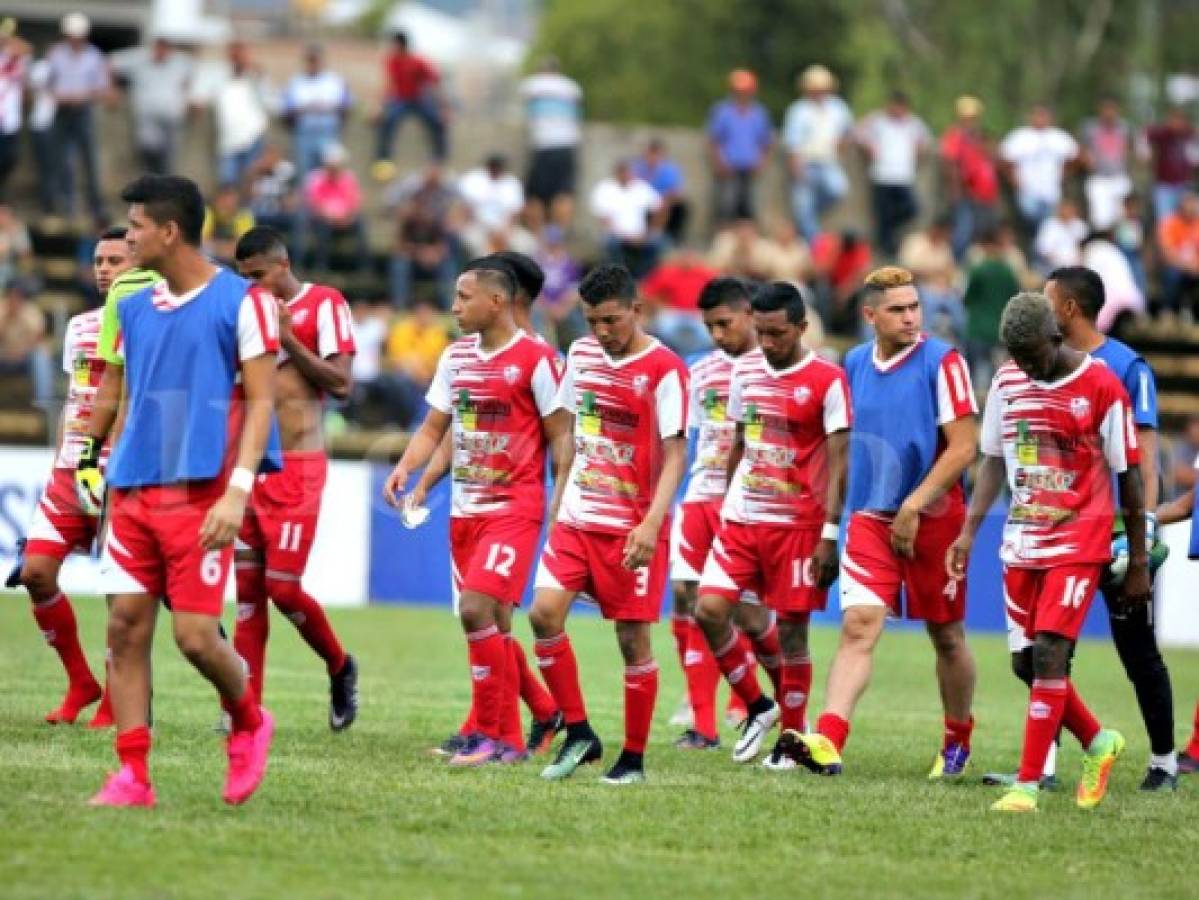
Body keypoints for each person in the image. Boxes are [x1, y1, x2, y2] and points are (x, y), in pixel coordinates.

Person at [81, 175, 280, 808]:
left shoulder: (243, 302)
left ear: (168, 232)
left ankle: (249, 720)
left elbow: (262, 404)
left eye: (135, 226)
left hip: (202, 497)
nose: (127, 236)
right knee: (124, 629)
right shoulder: (133, 307)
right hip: (134, 489)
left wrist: (238, 493)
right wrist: (95, 463)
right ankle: (132, 775)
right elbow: (125, 394)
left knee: (195, 638)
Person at [948, 291, 1146, 813]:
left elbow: (1130, 475)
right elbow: (992, 460)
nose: (1025, 367)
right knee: (1023, 663)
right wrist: (968, 532)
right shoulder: (1009, 383)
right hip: (1022, 539)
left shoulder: (1102, 386)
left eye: (1033, 355)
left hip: (1081, 539)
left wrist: (1139, 561)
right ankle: (1099, 740)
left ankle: (1028, 785)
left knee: (1050, 654)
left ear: (1057, 339)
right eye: (1016, 356)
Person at [783, 266, 978, 780]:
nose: (912, 317)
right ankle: (828, 739)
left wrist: (914, 505)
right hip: (869, 517)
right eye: (898, 309)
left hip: (934, 516)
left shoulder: (944, 361)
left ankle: (958, 740)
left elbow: (964, 448)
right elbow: (842, 452)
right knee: (858, 625)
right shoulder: (852, 363)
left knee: (947, 636)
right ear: (870, 315)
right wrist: (830, 528)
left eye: (915, 306)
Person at [384, 258, 572, 766]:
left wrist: (559, 502)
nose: (454, 306)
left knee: (476, 608)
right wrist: (410, 472)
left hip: (514, 508)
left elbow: (561, 435)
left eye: (463, 297)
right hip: (465, 510)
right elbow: (435, 429)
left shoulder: (537, 360)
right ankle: (501, 732)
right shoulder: (456, 357)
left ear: (496, 301)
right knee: (491, 623)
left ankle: (497, 737)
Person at [530, 263, 689, 784]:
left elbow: (676, 454)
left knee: (632, 642)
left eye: (612, 321)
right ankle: (579, 731)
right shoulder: (580, 355)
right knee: (543, 616)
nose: (602, 332)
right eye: (592, 321)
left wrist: (650, 525)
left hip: (631, 527)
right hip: (579, 515)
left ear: (637, 312)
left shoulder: (666, 370)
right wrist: (557, 505)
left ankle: (634, 760)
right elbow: (572, 435)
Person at [695, 281, 849, 770]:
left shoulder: (827, 379)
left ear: (802, 328)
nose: (767, 343)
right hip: (743, 517)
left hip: (799, 526)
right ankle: (760, 705)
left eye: (777, 334)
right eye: (760, 332)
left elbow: (839, 459)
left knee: (793, 635)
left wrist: (829, 532)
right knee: (709, 609)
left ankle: (791, 739)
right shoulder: (746, 371)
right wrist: (723, 499)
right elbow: (739, 439)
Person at [1045, 266, 1177, 791]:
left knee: (1137, 650)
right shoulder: (1045, 363)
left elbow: (1143, 457)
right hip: (1063, 529)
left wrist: (1139, 537)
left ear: (1069, 309)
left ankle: (1164, 763)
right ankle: (1045, 767)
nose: (1040, 306)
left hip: (1118, 533)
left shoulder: (1126, 367)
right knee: (1050, 648)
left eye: (1046, 299)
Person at [231, 226, 360, 730]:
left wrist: (287, 338)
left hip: (298, 467)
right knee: (247, 594)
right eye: (246, 279)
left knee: (283, 590)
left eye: (260, 275)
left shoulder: (323, 304)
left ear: (282, 265)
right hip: (251, 466)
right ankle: (245, 709)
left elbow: (343, 383)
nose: (254, 287)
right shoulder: (245, 312)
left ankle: (339, 664)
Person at [7, 228, 132, 727]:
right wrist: (63, 458)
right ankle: (81, 681)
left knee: (118, 593)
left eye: (115, 260)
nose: (103, 269)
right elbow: (77, 399)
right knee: (37, 572)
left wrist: (115, 465)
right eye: (99, 260)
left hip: (120, 472)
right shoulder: (81, 326)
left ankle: (114, 700)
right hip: (71, 469)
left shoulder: (151, 327)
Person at [666, 276, 771, 750]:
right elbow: (685, 440)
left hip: (749, 503)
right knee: (688, 598)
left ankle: (773, 708)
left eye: (725, 324)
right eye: (710, 326)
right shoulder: (700, 371)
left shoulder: (773, 366)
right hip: (699, 497)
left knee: (749, 613)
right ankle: (703, 726)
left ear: (749, 314)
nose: (718, 335)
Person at [47, 13, 111, 219]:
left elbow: (102, 88)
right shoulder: (56, 53)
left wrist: (82, 95)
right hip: (62, 110)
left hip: (83, 111)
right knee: (62, 159)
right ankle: (66, 204)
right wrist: (58, 95)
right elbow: (46, 82)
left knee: (89, 159)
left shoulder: (94, 56)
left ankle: (95, 205)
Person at [854, 91, 931, 257]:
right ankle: (886, 250)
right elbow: (858, 133)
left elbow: (925, 141)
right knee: (883, 215)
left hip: (903, 176)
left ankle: (890, 238)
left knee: (910, 209)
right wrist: (869, 146)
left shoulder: (913, 123)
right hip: (882, 175)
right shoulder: (879, 122)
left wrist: (917, 153)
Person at [783, 65, 853, 242]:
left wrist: (842, 143)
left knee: (837, 190)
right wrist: (796, 168)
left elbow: (848, 131)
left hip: (828, 161)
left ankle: (807, 223)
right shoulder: (798, 110)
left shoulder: (838, 107)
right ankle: (814, 243)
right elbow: (793, 143)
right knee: (802, 205)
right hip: (806, 162)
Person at [112, 36, 192, 175]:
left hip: (172, 118)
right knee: (148, 148)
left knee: (169, 158)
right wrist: (113, 88)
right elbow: (110, 62)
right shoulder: (138, 59)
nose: (161, 51)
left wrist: (188, 97)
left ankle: (166, 187)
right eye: (159, 47)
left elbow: (191, 78)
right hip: (148, 118)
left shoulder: (181, 62)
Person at [520, 56, 582, 229]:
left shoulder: (534, 84)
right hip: (567, 144)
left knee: (535, 194)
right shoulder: (572, 87)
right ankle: (558, 237)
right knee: (564, 192)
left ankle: (537, 235)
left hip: (544, 144)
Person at [999, 105, 1078, 241]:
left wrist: (1065, 174)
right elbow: (1003, 159)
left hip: (1051, 192)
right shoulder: (1020, 137)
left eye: (1043, 115)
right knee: (1032, 225)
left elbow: (1076, 156)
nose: (1040, 119)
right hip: (1028, 192)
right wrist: (1013, 180)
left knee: (1047, 227)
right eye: (1037, 115)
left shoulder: (1059, 137)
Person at [387, 163, 459, 309]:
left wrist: (434, 253)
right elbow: (398, 245)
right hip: (412, 259)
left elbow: (443, 246)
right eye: (419, 203)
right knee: (399, 265)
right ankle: (399, 305)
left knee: (448, 265)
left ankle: (448, 306)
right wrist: (418, 252)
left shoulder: (436, 222)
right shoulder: (408, 221)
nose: (423, 207)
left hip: (432, 260)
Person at [706, 69, 773, 224]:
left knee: (750, 207)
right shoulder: (722, 111)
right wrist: (719, 162)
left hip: (750, 167)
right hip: (728, 166)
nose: (742, 94)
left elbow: (765, 142)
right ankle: (722, 238)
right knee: (725, 205)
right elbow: (714, 140)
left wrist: (761, 162)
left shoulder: (759, 113)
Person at [940, 95, 999, 261]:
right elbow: (950, 163)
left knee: (980, 234)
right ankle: (956, 264)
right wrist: (955, 190)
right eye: (967, 118)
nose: (971, 122)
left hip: (981, 196)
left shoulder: (977, 137)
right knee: (962, 233)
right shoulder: (955, 136)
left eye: (973, 118)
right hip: (964, 194)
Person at [374, 31, 446, 166]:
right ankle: (383, 159)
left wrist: (443, 108)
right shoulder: (392, 61)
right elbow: (388, 84)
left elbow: (435, 83)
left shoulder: (418, 61)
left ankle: (439, 157)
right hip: (400, 99)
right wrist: (379, 107)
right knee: (387, 121)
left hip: (419, 99)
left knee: (436, 122)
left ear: (401, 45)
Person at [205, 41, 271, 187]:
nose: (237, 59)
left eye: (240, 54)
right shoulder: (219, 77)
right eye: (234, 55)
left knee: (251, 185)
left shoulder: (254, 76)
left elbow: (267, 97)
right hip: (228, 141)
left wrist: (250, 67)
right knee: (227, 184)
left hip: (252, 138)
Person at [282, 43, 351, 179]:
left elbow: (345, 106)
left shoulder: (334, 81)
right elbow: (287, 109)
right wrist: (306, 109)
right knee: (306, 177)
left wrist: (325, 109)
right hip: (304, 134)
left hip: (328, 133)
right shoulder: (296, 82)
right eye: (310, 60)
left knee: (328, 175)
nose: (313, 63)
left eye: (315, 59)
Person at [962, 225, 1020, 386]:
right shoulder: (1008, 271)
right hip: (1000, 331)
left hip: (977, 330)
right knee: (997, 377)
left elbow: (967, 299)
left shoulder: (978, 270)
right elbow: (1014, 297)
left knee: (973, 378)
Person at [590, 159, 663, 278]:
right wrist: (625, 236)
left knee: (657, 243)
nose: (625, 175)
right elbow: (604, 219)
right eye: (622, 172)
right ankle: (619, 279)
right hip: (615, 234)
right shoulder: (605, 188)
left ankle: (644, 281)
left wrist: (649, 231)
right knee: (611, 244)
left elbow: (659, 208)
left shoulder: (641, 187)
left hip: (641, 235)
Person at [302, 143, 368, 274]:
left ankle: (363, 268)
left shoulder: (349, 178)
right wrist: (328, 218)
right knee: (322, 228)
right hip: (323, 219)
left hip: (345, 219)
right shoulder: (315, 178)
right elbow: (312, 204)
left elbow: (355, 203)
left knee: (361, 224)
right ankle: (321, 266)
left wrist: (348, 218)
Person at [1079, 97, 1134, 231]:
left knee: (1122, 219)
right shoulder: (1090, 128)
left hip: (1119, 176)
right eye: (1106, 109)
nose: (1109, 113)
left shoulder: (1125, 127)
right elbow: (1082, 150)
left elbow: (1131, 148)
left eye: (1112, 109)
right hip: (1099, 178)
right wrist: (1086, 159)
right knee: (1100, 220)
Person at [0, 277, 52, 409]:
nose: (15, 298)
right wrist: (6, 318)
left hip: (23, 358)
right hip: (3, 356)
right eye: (12, 294)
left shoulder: (31, 311)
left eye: (18, 294)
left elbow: (38, 338)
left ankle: (44, 405)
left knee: (41, 356)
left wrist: (20, 317)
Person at [632, 138, 689, 245]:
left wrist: (664, 201)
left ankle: (666, 237)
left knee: (678, 207)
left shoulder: (669, 169)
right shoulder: (638, 168)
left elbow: (676, 191)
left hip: (663, 202)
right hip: (642, 203)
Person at [1144, 107, 1195, 223]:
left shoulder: (1189, 134)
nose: (1178, 123)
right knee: (1165, 222)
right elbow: (1146, 136)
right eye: (1175, 119)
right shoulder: (1162, 134)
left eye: (1181, 119)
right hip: (1164, 186)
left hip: (1184, 185)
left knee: (1187, 221)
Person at [0, 18, 31, 200]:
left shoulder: (16, 57)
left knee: (8, 160)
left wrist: (8, 39)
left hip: (10, 121)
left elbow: (26, 48)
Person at [1156, 190, 1199, 317]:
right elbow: (1167, 254)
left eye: (1194, 202)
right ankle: (1168, 310)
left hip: (1195, 268)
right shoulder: (1169, 223)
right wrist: (1189, 267)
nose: (1191, 206)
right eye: (1188, 202)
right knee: (1172, 274)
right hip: (1177, 268)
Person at [202, 183, 255, 265]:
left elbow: (245, 246)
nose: (228, 205)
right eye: (224, 201)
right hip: (210, 260)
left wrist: (222, 248)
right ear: (216, 200)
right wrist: (224, 248)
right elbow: (201, 242)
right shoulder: (207, 213)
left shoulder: (243, 215)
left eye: (232, 201)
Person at [1033, 198, 1088, 273]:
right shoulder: (1049, 225)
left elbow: (1085, 246)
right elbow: (1044, 250)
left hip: (1078, 264)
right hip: (1055, 266)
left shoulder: (1080, 225)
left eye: (1070, 210)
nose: (1068, 212)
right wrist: (1061, 262)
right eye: (1066, 210)